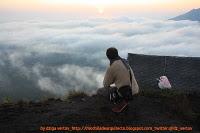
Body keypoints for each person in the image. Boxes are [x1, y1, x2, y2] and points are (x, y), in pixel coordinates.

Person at [103, 47, 139, 112]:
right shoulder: (125, 61)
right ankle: (124, 99)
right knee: (119, 85)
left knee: (105, 90)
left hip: (127, 92)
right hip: (135, 89)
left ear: (108, 57)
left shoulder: (112, 67)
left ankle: (120, 103)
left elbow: (106, 84)